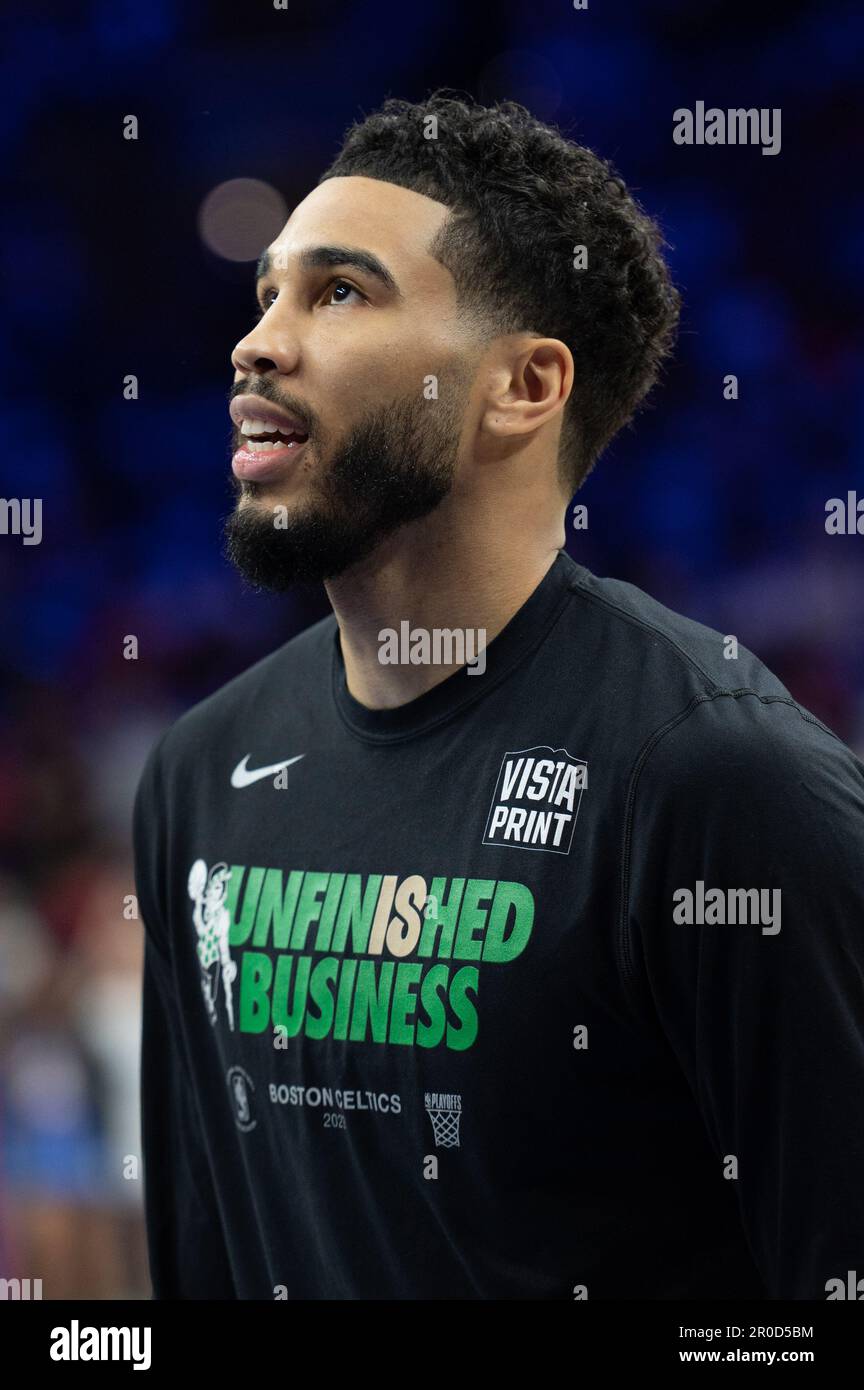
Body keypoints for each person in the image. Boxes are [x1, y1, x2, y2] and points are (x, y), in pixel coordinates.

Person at [133, 91, 864, 1300]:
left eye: (341, 292)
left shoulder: (717, 784)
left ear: (522, 387)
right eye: (268, 292)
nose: (257, 342)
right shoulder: (201, 773)